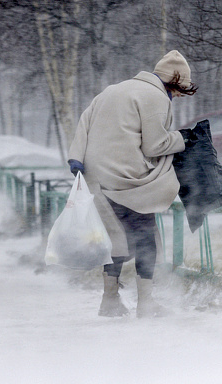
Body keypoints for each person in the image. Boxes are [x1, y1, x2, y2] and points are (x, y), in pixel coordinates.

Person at [67, 50, 198, 318]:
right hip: (125, 178)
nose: (178, 96)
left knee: (118, 239)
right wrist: (184, 138)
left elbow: (85, 122)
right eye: (180, 90)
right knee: (146, 237)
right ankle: (146, 304)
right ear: (174, 83)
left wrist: (75, 157)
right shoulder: (155, 97)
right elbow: (154, 144)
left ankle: (110, 300)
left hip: (95, 176)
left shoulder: (112, 90)